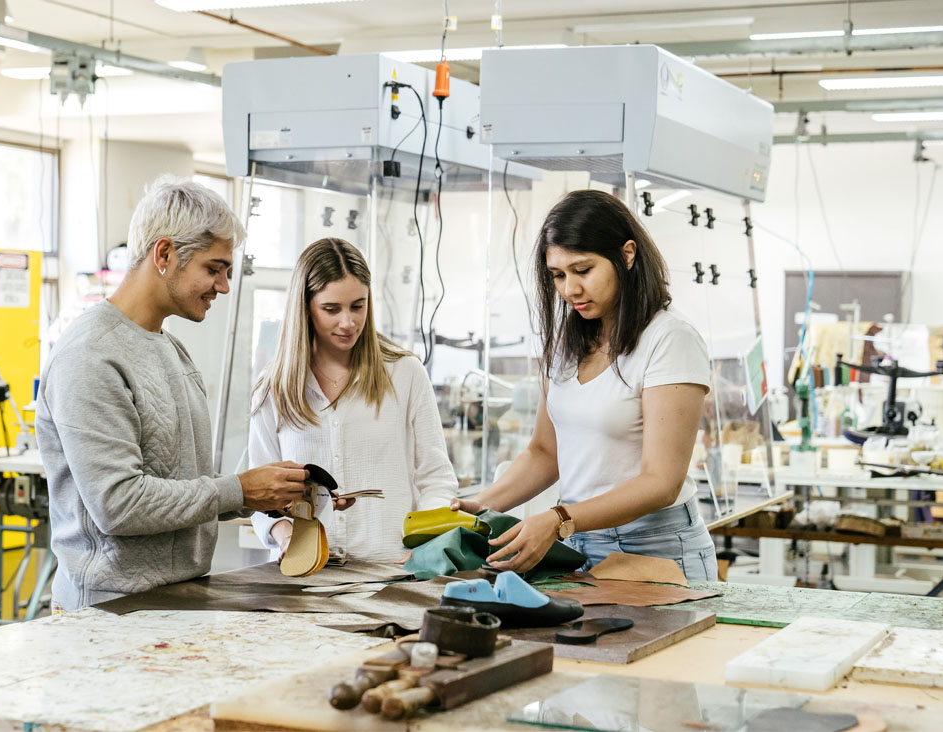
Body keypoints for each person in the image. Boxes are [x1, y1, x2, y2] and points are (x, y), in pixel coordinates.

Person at [37, 175, 307, 611]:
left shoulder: (169, 348)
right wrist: (239, 490)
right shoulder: (91, 355)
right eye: (213, 268)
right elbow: (119, 504)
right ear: (164, 254)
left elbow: (184, 486)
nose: (223, 286)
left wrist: (267, 492)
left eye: (227, 272)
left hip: (177, 598)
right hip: (109, 614)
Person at [452, 189, 716, 579]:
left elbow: (661, 482)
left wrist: (559, 518)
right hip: (576, 543)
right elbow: (545, 453)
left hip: (653, 549)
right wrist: (481, 504)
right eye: (557, 275)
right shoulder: (566, 343)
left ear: (627, 255)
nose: (569, 289)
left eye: (582, 270)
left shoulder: (669, 339)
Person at [248, 238, 458, 564]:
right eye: (332, 309)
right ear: (305, 306)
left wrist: (426, 544)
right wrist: (286, 536)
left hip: (393, 572)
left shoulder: (405, 373)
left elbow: (436, 478)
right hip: (307, 578)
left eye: (358, 306)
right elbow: (260, 499)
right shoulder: (271, 388)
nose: (348, 323)